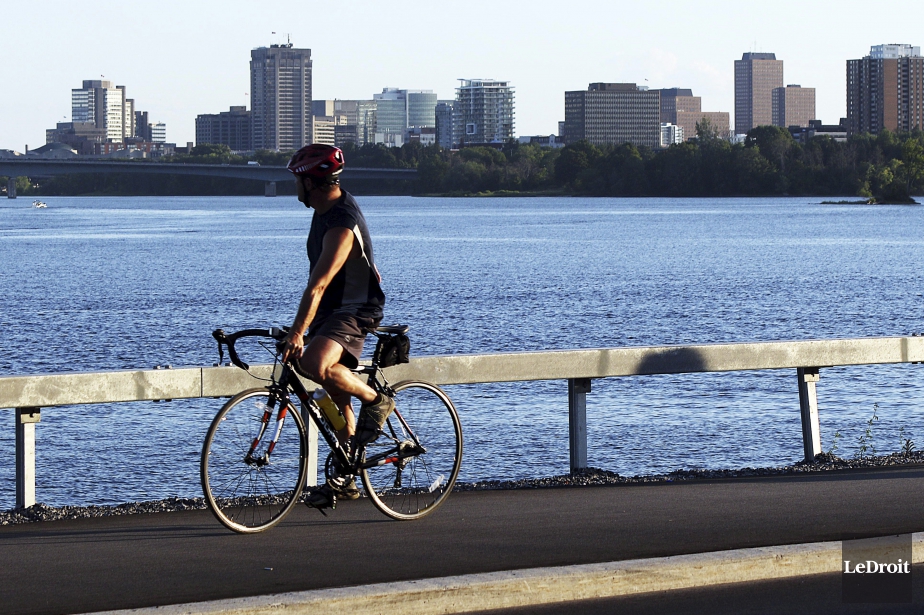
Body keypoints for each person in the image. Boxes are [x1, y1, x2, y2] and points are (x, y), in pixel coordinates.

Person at [280, 143, 394, 508]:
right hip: (332, 310)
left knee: (316, 364)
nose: (294, 187)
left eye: (297, 181)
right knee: (332, 391)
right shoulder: (324, 210)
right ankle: (347, 474)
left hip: (355, 310)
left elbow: (318, 284)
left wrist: (297, 332)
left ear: (311, 182)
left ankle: (377, 400)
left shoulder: (341, 223)